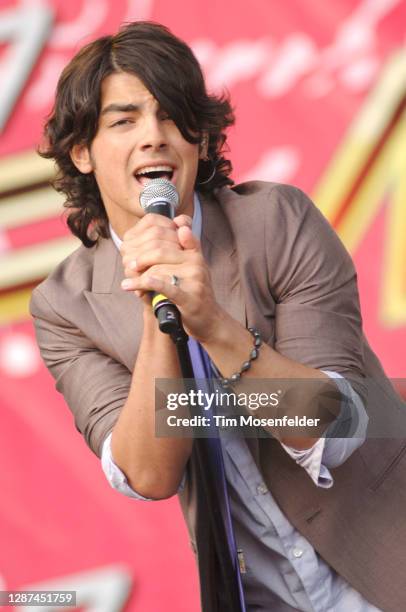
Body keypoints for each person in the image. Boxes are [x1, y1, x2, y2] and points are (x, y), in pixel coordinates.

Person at [30, 21, 405, 612]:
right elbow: (147, 474)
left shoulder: (277, 222)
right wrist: (161, 309)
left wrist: (212, 324)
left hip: (386, 558)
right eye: (124, 120)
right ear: (81, 153)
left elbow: (332, 431)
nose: (153, 137)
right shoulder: (65, 307)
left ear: (200, 141)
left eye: (172, 116)